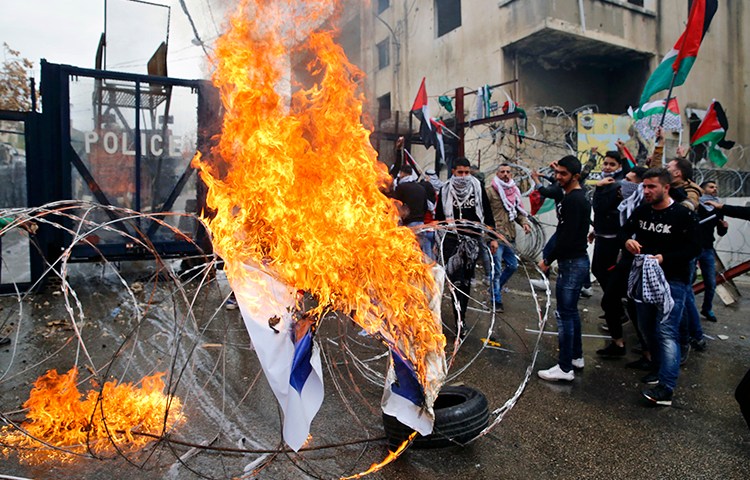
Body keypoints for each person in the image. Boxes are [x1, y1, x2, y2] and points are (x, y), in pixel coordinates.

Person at [619, 168, 700, 406]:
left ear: (665, 187)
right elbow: (625, 228)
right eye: (644, 186)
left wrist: (665, 258)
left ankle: (667, 387)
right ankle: (656, 368)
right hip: (645, 278)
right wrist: (628, 240)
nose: (646, 191)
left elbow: (694, 248)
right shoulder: (643, 210)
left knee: (666, 332)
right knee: (646, 327)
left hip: (673, 281)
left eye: (651, 187)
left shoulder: (682, 214)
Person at [537, 156, 591, 382]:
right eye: (557, 172)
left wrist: (548, 259)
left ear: (575, 177)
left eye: (563, 174)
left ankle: (565, 367)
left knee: (565, 316)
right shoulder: (574, 197)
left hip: (571, 263)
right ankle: (576, 357)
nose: (558, 177)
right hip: (576, 261)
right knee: (571, 314)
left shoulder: (573, 201)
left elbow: (566, 237)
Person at [435, 158, 497, 337]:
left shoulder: (477, 188)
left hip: (472, 241)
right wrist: (438, 241)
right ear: (453, 171)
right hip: (451, 241)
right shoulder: (445, 190)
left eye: (467, 172)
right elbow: (440, 218)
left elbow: (486, 212)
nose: (464, 176)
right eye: (460, 172)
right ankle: (457, 319)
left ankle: (461, 319)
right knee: (455, 282)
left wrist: (492, 238)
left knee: (466, 282)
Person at [485, 164, 531, 312]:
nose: (506, 174)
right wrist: (490, 236)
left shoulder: (513, 190)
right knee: (496, 270)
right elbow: (484, 214)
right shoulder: (490, 191)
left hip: (510, 236)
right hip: (496, 236)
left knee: (513, 266)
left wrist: (524, 223)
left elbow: (517, 212)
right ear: (497, 173)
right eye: (502, 172)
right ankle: (496, 300)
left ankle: (494, 289)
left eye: (508, 172)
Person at [590, 151, 627, 291]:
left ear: (619, 166)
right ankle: (613, 302)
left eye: (612, 164)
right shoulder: (607, 181)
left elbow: (600, 208)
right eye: (605, 163)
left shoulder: (617, 185)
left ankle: (615, 303)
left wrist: (599, 188)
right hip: (602, 234)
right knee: (598, 270)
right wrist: (596, 230)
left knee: (606, 271)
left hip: (612, 237)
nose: (607, 167)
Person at [696, 181, 728, 323]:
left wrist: (724, 227)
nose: (715, 189)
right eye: (711, 187)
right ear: (702, 190)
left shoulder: (718, 208)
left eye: (716, 187)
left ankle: (707, 309)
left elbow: (720, 232)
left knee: (710, 282)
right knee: (688, 279)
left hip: (708, 248)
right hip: (693, 247)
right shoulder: (695, 205)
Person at [394, 164, 433, 259]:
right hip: (421, 223)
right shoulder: (420, 188)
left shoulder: (401, 187)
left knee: (410, 253)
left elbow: (395, 206)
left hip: (409, 225)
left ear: (402, 173)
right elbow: (426, 207)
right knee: (422, 252)